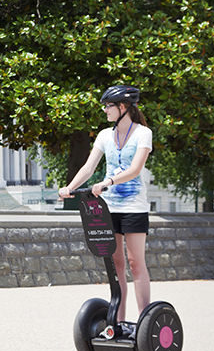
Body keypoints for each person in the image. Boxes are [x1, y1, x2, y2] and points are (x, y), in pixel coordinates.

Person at [59, 85, 153, 337]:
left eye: (108, 106)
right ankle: (119, 324)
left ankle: (145, 324)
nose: (105, 110)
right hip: (109, 208)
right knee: (116, 264)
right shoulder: (103, 135)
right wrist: (70, 187)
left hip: (134, 208)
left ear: (123, 108)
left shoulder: (143, 134)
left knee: (136, 263)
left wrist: (109, 182)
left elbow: (135, 169)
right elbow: (89, 168)